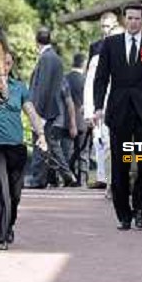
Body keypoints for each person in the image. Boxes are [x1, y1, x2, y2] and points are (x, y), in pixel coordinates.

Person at [94, 2, 142, 231]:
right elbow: (101, 78)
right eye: (129, 18)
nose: (133, 22)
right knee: (120, 165)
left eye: (137, 18)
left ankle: (140, 208)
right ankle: (123, 214)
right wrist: (98, 106)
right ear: (123, 19)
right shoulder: (110, 44)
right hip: (119, 111)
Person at [0, 51, 47, 249]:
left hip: (17, 147)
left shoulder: (19, 88)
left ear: (10, 65)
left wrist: (41, 135)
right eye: (1, 63)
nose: (4, 66)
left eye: (7, 63)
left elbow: (31, 112)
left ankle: (7, 223)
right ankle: (1, 234)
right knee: (1, 189)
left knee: (15, 195)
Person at [25, 28, 74, 188]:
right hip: (50, 108)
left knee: (40, 143)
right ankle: (67, 176)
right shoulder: (54, 58)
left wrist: (36, 113)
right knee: (50, 144)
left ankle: (38, 179)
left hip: (44, 109)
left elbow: (43, 88)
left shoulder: (47, 58)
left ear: (36, 41)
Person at [83, 12, 122, 194]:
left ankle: (120, 180)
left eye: (109, 26)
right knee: (104, 143)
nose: (105, 31)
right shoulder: (97, 51)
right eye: (103, 27)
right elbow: (92, 81)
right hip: (106, 106)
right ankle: (108, 180)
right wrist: (90, 109)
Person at [65, 53, 87, 184]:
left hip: (66, 120)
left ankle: (68, 178)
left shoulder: (64, 78)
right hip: (83, 120)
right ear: (84, 64)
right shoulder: (85, 80)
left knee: (68, 151)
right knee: (83, 152)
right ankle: (82, 179)